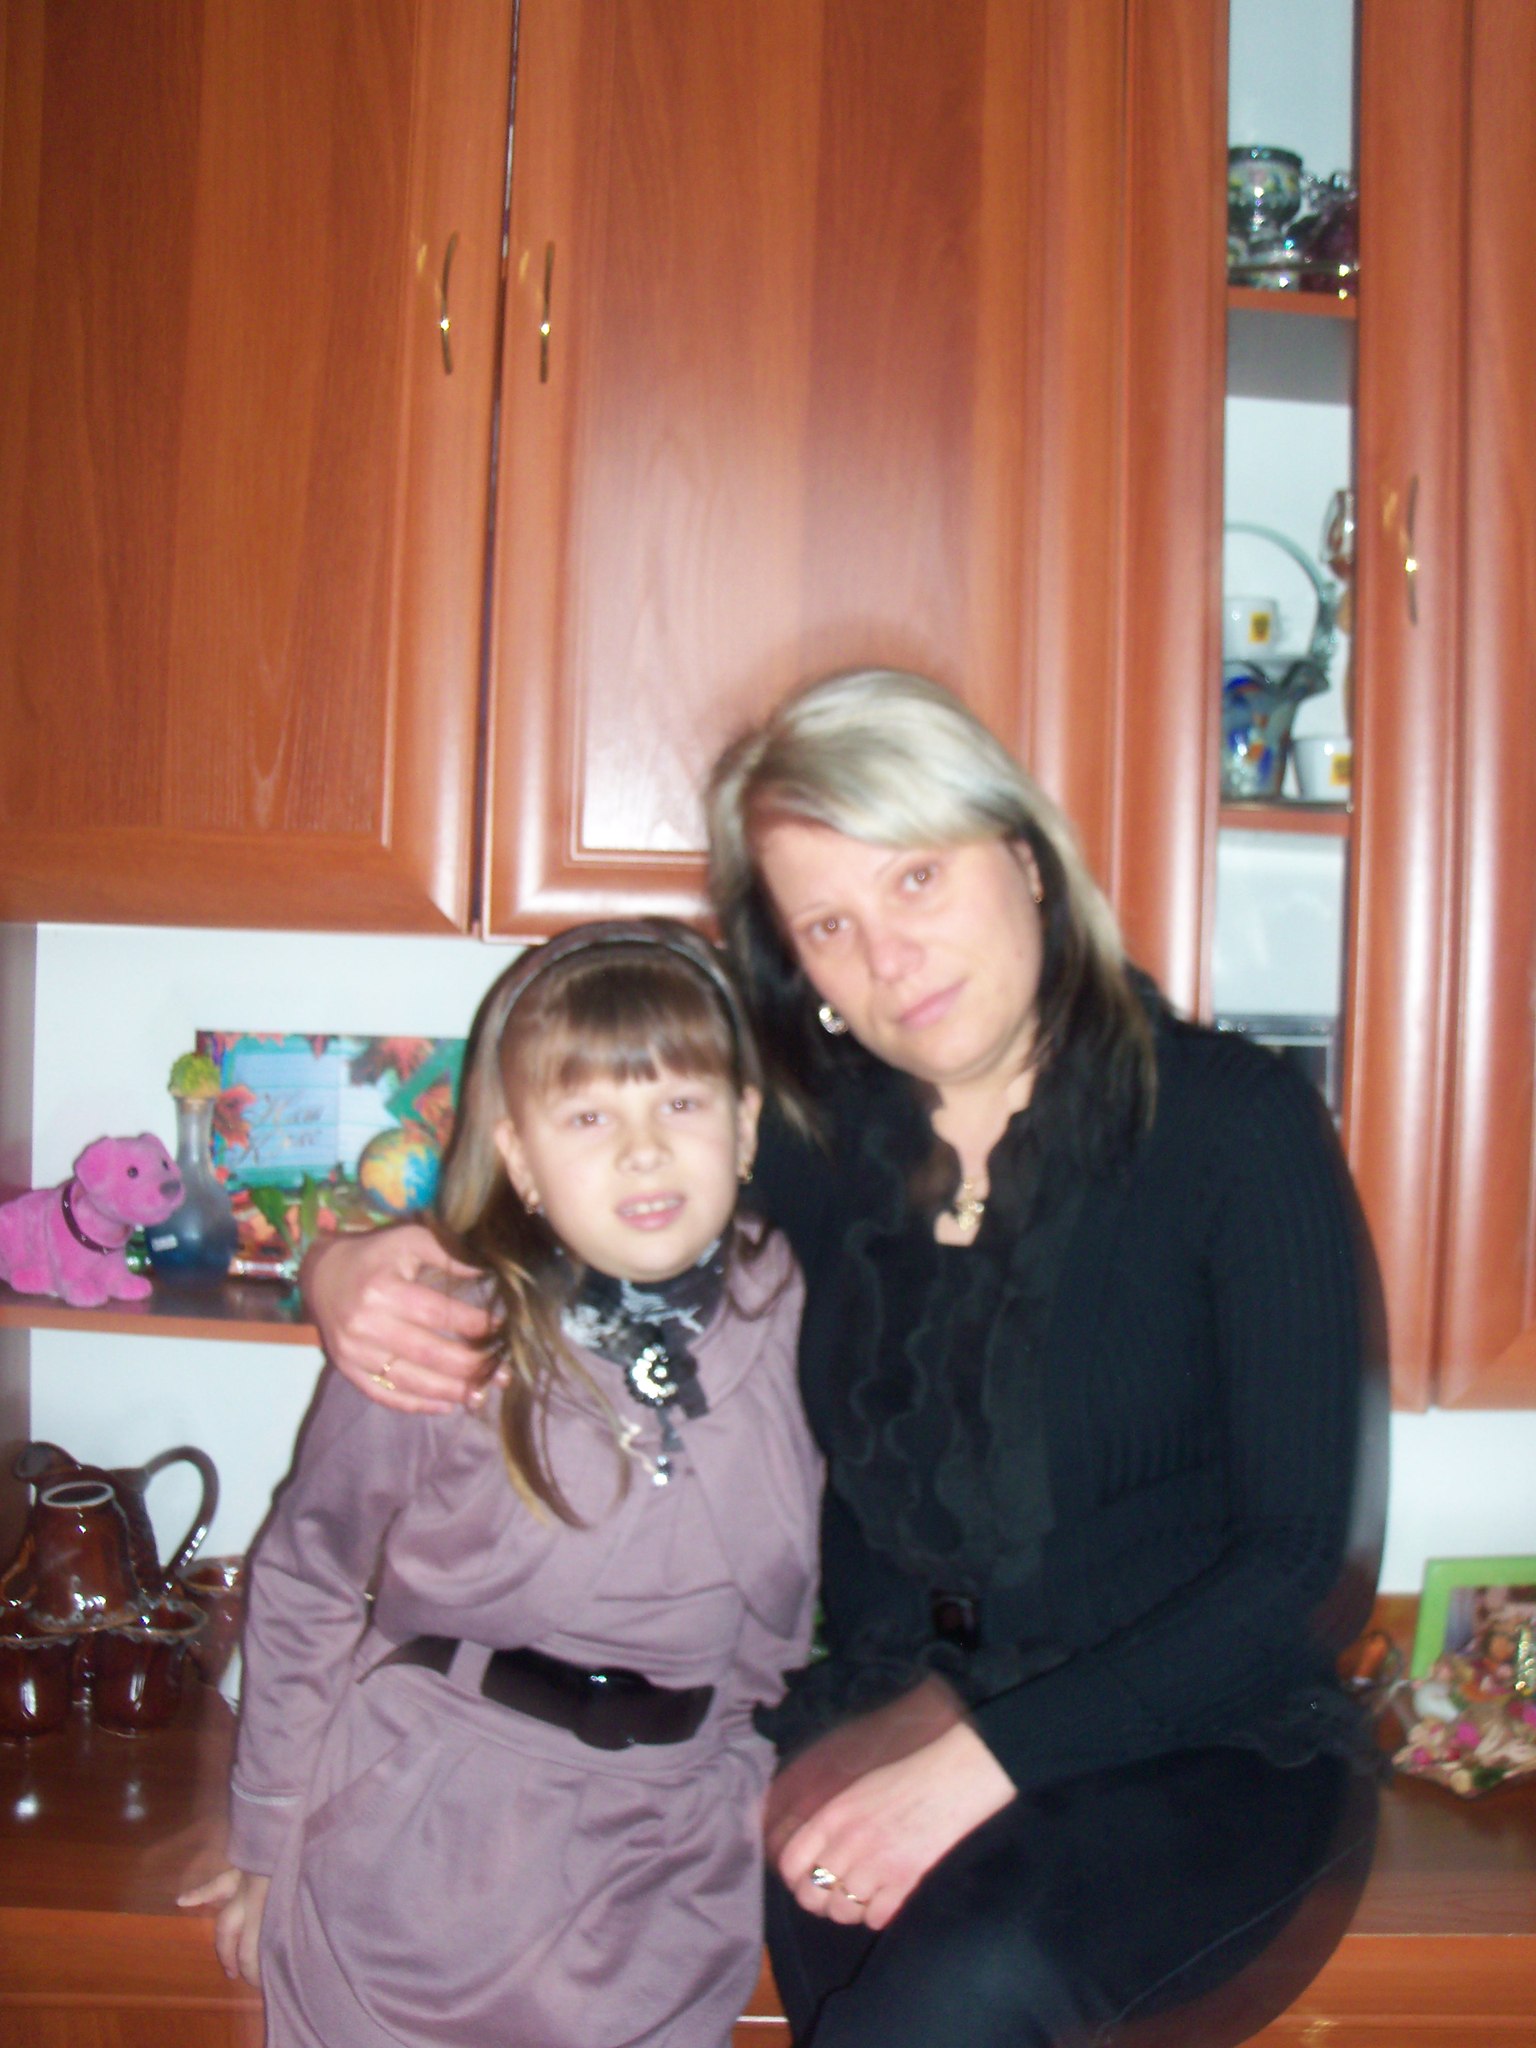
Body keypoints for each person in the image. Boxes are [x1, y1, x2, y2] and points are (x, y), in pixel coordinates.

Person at [306, 671, 1387, 2047]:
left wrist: (980, 1763)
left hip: (1209, 1743)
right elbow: (577, 1213)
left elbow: (1305, 1570)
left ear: (1026, 860)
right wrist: (346, 1264)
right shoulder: (810, 1152)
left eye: (917, 877)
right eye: (831, 924)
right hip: (879, 1716)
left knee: (962, 1980)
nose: (891, 956)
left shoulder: (1234, 1125)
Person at [180, 920, 822, 2048]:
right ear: (519, 1157)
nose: (644, 1152)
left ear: (746, 1126)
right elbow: (310, 1571)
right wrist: (266, 1836)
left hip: (672, 1861)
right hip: (421, 1843)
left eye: (681, 1103)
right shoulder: (437, 1327)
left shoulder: (812, 1313)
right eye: (589, 1117)